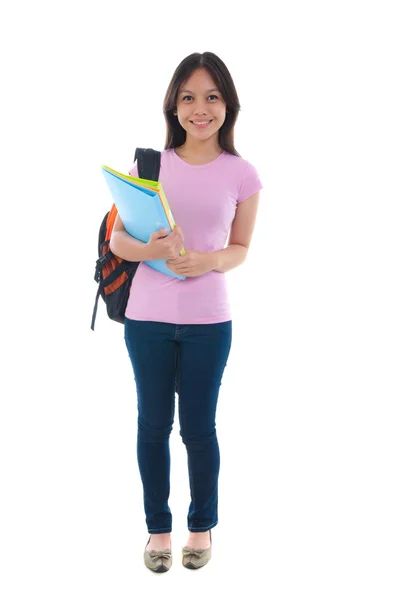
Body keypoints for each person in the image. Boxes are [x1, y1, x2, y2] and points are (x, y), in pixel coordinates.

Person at [109, 51, 263, 572]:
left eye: (212, 97)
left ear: (228, 105)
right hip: (147, 319)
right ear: (174, 105)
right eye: (189, 97)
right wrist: (155, 250)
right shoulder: (149, 167)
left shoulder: (242, 174)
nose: (201, 109)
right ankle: (158, 530)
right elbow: (117, 240)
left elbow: (241, 248)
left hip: (209, 323)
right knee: (152, 425)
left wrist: (207, 260)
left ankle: (202, 527)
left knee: (199, 429)